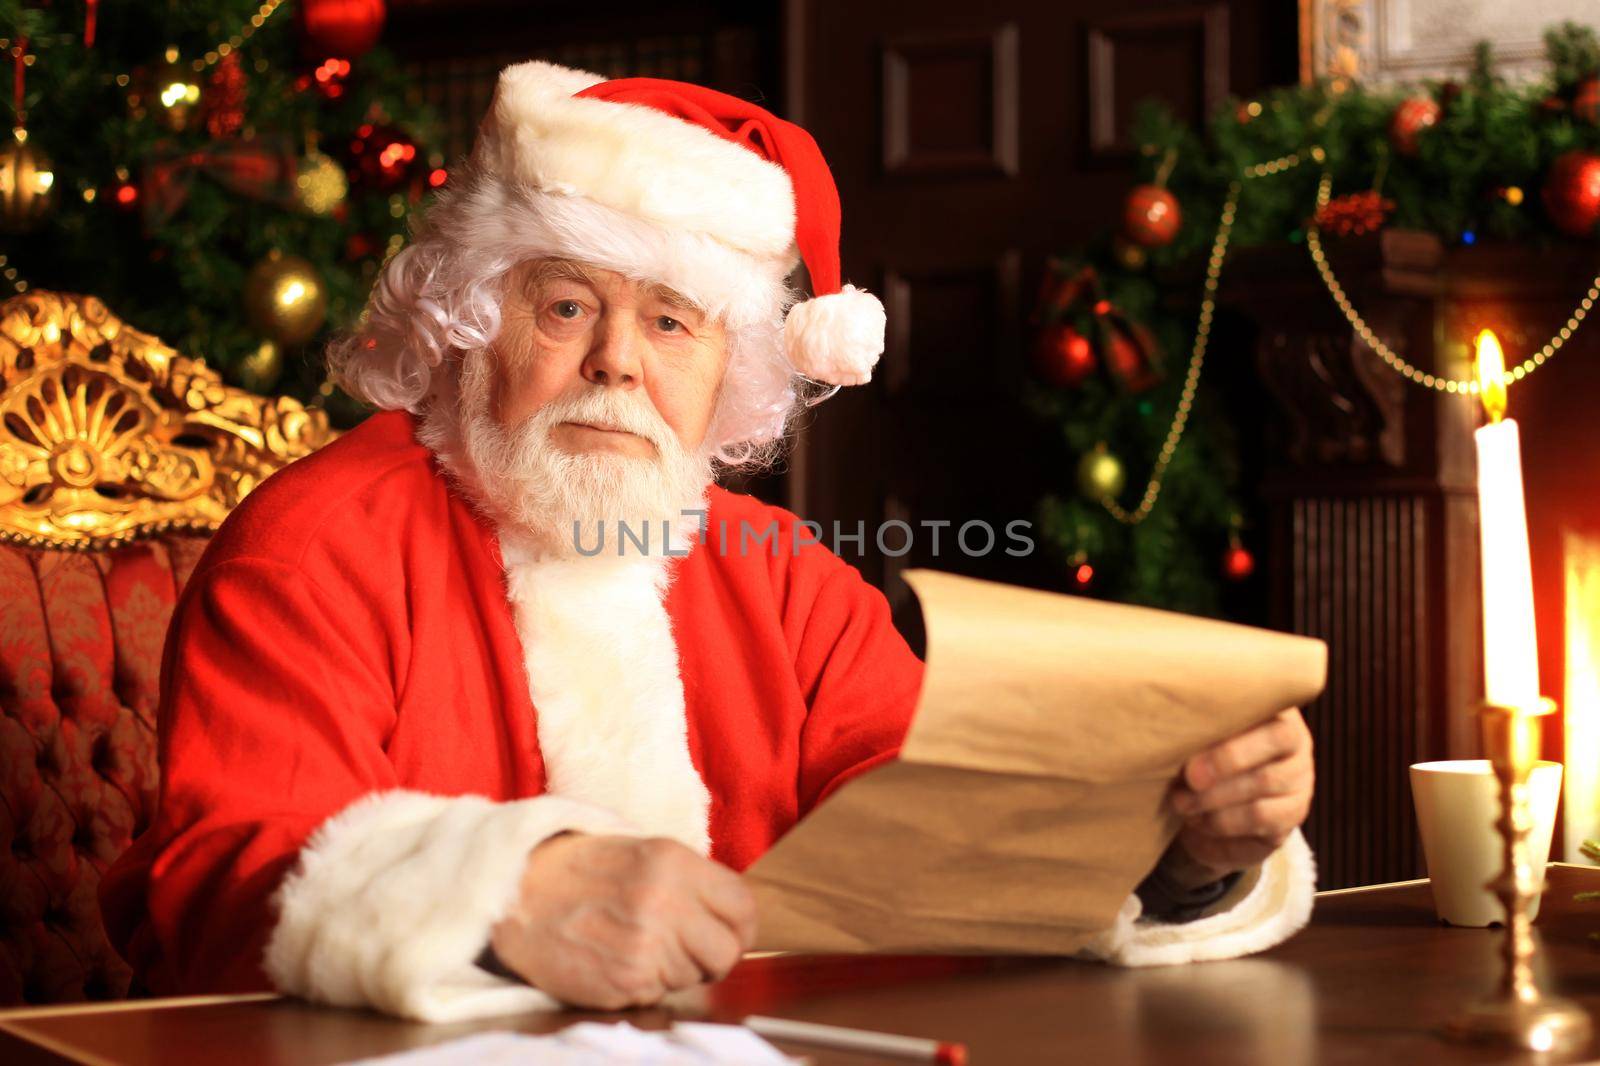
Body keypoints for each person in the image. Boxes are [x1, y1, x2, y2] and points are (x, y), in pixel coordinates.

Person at [99, 61, 1316, 1023]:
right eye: (568, 304)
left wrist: (1175, 848)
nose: (617, 360)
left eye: (671, 320)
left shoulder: (785, 576)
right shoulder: (314, 546)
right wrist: (497, 895)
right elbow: (218, 886)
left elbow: (940, 837)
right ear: (472, 322)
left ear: (726, 374)